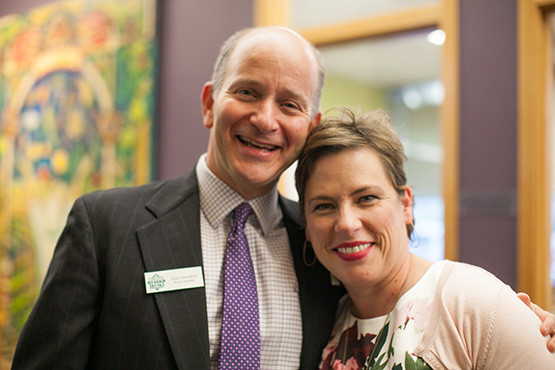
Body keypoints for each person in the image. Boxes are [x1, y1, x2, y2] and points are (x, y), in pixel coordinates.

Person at [11, 27, 555, 369]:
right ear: (209, 102)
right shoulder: (106, 225)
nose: (265, 118)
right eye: (246, 92)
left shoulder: (323, 250)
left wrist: (523, 325)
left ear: (309, 124)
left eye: (289, 103)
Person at [294, 108, 555, 369]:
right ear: (306, 224)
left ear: (406, 204)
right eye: (324, 206)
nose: (347, 224)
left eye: (367, 198)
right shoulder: (328, 322)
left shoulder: (470, 302)